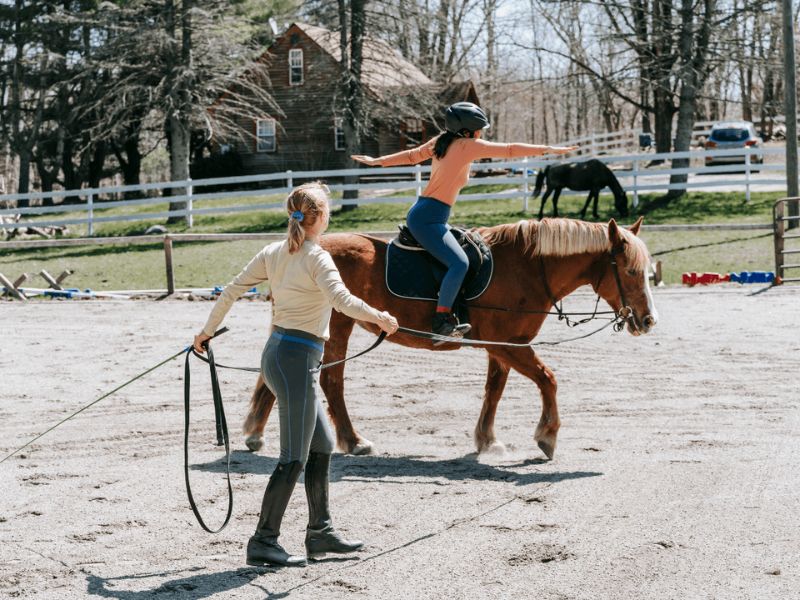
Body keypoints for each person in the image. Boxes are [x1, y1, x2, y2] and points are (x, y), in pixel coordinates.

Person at [193, 182, 399, 567]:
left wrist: (205, 332)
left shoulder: (273, 252)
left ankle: (320, 532)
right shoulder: (317, 257)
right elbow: (343, 301)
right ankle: (263, 540)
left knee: (322, 444)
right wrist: (381, 318)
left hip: (280, 356)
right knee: (292, 457)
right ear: (320, 217)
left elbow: (232, 290)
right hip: (295, 360)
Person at [352, 102, 577, 340]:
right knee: (459, 264)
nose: (481, 134)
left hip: (428, 214)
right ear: (467, 131)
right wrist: (547, 149)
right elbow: (510, 149)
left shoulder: (442, 141)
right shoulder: (467, 146)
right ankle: (441, 320)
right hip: (428, 219)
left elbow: (411, 156)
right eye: (479, 129)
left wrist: (377, 161)